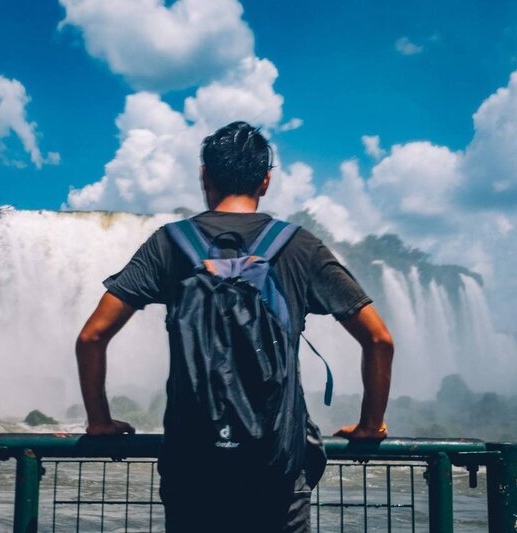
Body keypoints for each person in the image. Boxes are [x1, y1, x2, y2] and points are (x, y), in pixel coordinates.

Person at [76, 121, 394, 532]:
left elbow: (92, 337)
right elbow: (379, 340)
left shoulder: (169, 243)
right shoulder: (300, 246)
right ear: (266, 180)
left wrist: (100, 421)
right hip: (277, 472)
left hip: (192, 469)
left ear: (204, 175)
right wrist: (370, 425)